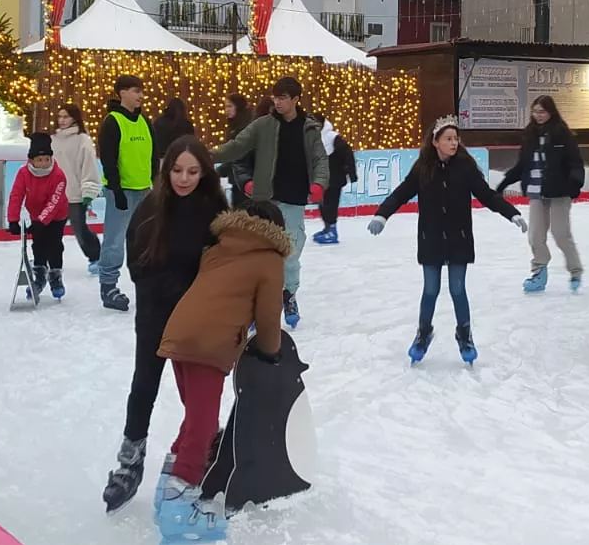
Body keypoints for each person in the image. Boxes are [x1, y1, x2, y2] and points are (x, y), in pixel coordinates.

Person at [102, 134, 228, 513]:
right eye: (177, 170)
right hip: (157, 314)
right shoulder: (151, 208)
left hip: (198, 318)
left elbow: (229, 265)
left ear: (204, 173)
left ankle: (208, 441)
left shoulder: (216, 213)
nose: (183, 178)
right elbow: (136, 263)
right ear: (166, 169)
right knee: (144, 385)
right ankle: (129, 462)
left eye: (192, 171)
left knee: (196, 390)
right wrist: (167, 289)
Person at [154, 200, 290, 541]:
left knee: (194, 421)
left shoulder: (217, 248)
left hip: (178, 335)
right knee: (202, 428)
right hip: (208, 346)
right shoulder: (270, 258)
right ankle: (178, 512)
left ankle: (164, 494)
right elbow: (270, 315)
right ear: (275, 229)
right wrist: (271, 352)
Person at [368, 117, 526, 365]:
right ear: (436, 142)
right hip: (430, 238)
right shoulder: (423, 168)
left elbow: (486, 195)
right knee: (430, 290)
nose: (454, 143)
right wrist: (382, 214)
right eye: (448, 139)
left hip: (458, 239)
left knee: (457, 289)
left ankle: (464, 335)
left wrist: (512, 213)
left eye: (456, 138)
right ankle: (423, 334)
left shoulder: (465, 168)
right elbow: (401, 193)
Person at [213, 77, 328, 330]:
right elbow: (237, 147)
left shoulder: (309, 129)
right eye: (275, 97)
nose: (277, 102)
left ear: (296, 100)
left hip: (294, 201)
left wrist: (319, 184)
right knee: (262, 255)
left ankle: (289, 295)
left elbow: (320, 160)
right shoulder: (262, 125)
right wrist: (207, 154)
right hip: (266, 201)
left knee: (291, 254)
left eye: (282, 98)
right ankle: (258, 306)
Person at [496, 95, 585, 293]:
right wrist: (504, 182)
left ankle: (575, 270)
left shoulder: (562, 134)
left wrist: (574, 184)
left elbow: (574, 162)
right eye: (535, 111)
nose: (538, 115)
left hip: (559, 192)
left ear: (550, 112)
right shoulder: (529, 135)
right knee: (535, 236)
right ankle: (539, 272)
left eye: (542, 111)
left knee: (561, 234)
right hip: (536, 192)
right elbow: (522, 165)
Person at [97, 75, 154, 312]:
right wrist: (116, 188)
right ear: (121, 93)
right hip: (121, 192)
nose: (140, 95)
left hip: (144, 190)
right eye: (134, 90)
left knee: (146, 240)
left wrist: (156, 183)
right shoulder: (112, 122)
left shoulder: (145, 121)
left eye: (141, 90)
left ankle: (147, 282)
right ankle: (108, 285)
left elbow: (154, 155)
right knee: (114, 240)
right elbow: (108, 159)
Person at [7, 132, 70, 300]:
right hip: (36, 215)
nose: (43, 164)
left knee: (54, 244)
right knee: (39, 245)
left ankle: (55, 276)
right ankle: (39, 276)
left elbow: (54, 202)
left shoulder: (58, 175)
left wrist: (42, 221)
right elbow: (16, 195)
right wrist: (13, 220)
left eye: (47, 159)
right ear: (31, 160)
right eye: (39, 160)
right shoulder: (23, 173)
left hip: (57, 216)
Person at [53, 104, 103, 273]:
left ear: (74, 118)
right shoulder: (54, 140)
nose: (62, 120)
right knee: (51, 231)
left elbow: (88, 166)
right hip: (55, 195)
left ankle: (96, 256)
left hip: (75, 194)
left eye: (65, 117)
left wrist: (88, 190)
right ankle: (47, 262)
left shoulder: (83, 139)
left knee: (80, 230)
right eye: (60, 117)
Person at [312, 115, 357, 244]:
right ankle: (327, 227)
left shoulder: (332, 137)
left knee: (331, 204)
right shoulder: (312, 139)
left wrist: (351, 172)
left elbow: (347, 152)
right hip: (320, 179)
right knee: (322, 204)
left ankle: (333, 231)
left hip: (334, 178)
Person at [219, 94, 254, 207]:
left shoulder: (244, 128)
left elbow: (238, 155)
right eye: (225, 106)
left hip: (245, 179)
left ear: (238, 107)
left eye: (230, 106)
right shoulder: (234, 126)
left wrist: (220, 170)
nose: (226, 110)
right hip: (238, 178)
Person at [151, 98, 196, 175]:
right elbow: (191, 143)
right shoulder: (186, 124)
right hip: (182, 159)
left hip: (162, 160)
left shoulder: (159, 122)